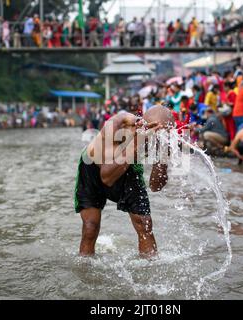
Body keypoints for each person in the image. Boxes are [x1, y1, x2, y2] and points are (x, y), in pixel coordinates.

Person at [75, 106, 174, 258]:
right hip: (93, 168)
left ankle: (150, 265)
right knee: (90, 227)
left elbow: (155, 186)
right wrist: (138, 140)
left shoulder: (165, 140)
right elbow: (107, 177)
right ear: (144, 123)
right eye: (154, 129)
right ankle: (84, 265)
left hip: (127, 166)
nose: (156, 135)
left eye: (164, 132)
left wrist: (164, 154)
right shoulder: (120, 124)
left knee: (144, 223)